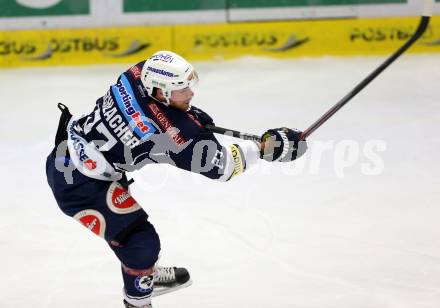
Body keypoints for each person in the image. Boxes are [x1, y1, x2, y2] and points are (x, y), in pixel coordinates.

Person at [46, 50, 307, 308]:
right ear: (161, 92)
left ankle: (143, 272)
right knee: (141, 242)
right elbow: (223, 167)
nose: (191, 94)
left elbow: (163, 113)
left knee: (129, 232)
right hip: (79, 185)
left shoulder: (137, 73)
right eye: (182, 90)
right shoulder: (174, 136)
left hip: (68, 153)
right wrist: (265, 149)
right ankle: (138, 299)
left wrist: (189, 117)